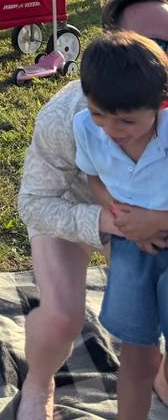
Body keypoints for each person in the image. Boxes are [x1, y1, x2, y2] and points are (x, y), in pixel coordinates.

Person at [16, 0, 168, 420]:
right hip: (76, 210)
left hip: (156, 221)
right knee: (63, 316)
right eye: (147, 45)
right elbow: (36, 203)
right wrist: (113, 221)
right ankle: (38, 382)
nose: (157, 57)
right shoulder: (68, 117)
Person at [73, 32, 168, 420]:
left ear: (161, 104)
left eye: (128, 120)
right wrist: (121, 216)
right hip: (131, 247)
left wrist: (157, 221)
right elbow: (93, 179)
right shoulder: (86, 127)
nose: (112, 128)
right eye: (100, 114)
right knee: (135, 352)